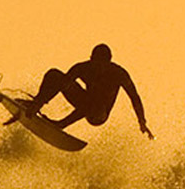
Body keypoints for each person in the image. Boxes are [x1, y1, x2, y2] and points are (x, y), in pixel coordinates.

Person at [8, 43, 152, 139]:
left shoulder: (118, 74)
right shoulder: (83, 68)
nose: (99, 67)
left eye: (103, 64)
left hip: (99, 114)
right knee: (54, 74)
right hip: (84, 102)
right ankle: (35, 105)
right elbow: (63, 83)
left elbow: (134, 97)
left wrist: (142, 121)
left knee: (94, 101)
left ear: (110, 62)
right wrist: (38, 102)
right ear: (91, 59)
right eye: (96, 62)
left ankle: (61, 124)